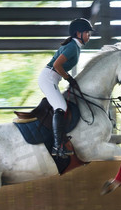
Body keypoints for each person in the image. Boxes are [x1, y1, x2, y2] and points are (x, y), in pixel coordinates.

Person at [38, 18, 94, 158]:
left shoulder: (74, 46)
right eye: (87, 32)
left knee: (62, 105)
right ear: (78, 33)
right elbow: (57, 65)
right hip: (48, 78)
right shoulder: (72, 47)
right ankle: (57, 146)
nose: (89, 35)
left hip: (51, 78)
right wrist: (69, 78)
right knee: (61, 106)